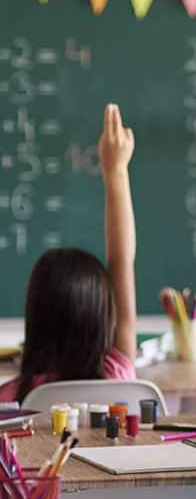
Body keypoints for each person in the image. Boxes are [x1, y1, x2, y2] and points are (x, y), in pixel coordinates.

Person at [0, 105, 137, 404]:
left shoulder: (10, 401)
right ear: (104, 316)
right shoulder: (117, 375)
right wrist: (115, 170)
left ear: (35, 314)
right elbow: (121, 260)